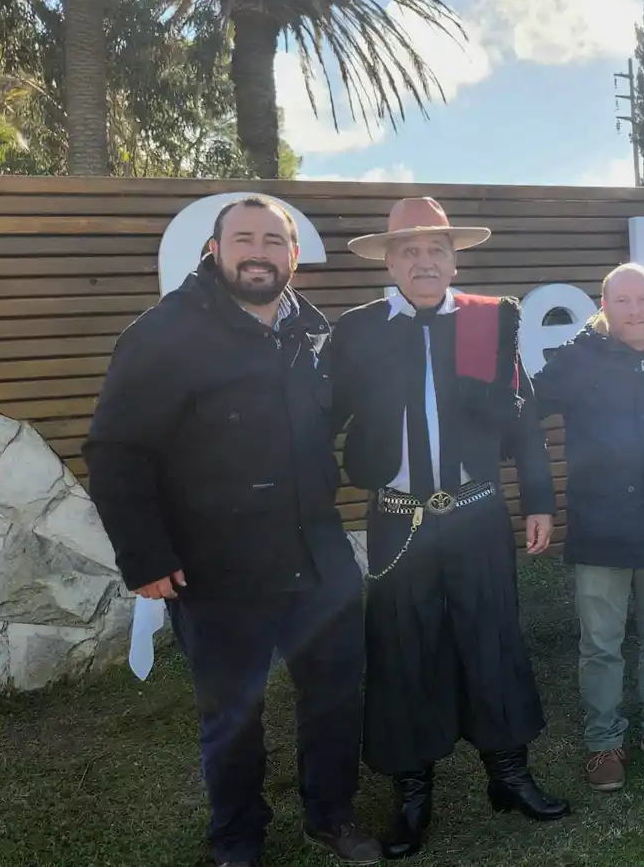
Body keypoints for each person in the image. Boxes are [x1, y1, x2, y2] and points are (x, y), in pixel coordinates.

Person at [83, 196, 381, 867]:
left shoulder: (312, 329)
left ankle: (331, 814)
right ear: (215, 251)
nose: (259, 251)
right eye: (243, 238)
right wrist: (145, 555)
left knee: (334, 694)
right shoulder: (164, 332)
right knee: (232, 711)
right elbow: (115, 451)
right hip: (214, 559)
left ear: (293, 256)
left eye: (273, 241)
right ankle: (237, 836)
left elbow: (325, 424)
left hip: (315, 547)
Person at [326, 197, 569, 861]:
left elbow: (523, 421)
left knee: (492, 639)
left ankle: (509, 777)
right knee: (406, 651)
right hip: (398, 523)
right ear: (389, 260)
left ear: (454, 258)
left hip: (476, 513)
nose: (424, 261)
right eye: (409, 250)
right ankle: (413, 795)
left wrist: (539, 502)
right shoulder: (358, 330)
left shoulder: (493, 322)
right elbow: (322, 420)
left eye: (436, 250)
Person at [533, 263, 644, 792]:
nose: (634, 311)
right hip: (602, 525)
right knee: (601, 643)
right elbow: (524, 412)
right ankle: (603, 740)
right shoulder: (575, 359)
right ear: (604, 307)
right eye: (622, 301)